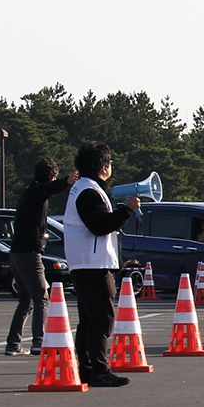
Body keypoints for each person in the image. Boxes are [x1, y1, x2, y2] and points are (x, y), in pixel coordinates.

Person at [63, 142, 138, 388]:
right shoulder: (88, 191)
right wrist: (126, 211)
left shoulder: (83, 188)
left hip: (85, 262)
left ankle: (87, 370)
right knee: (100, 320)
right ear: (103, 167)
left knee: (89, 320)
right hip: (92, 264)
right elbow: (99, 225)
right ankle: (98, 370)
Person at [5, 158, 77, 356]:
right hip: (29, 254)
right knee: (41, 298)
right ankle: (39, 340)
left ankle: (13, 343)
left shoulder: (30, 190)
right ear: (52, 177)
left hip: (16, 254)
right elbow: (48, 189)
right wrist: (66, 182)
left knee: (25, 301)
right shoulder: (37, 191)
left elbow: (47, 189)